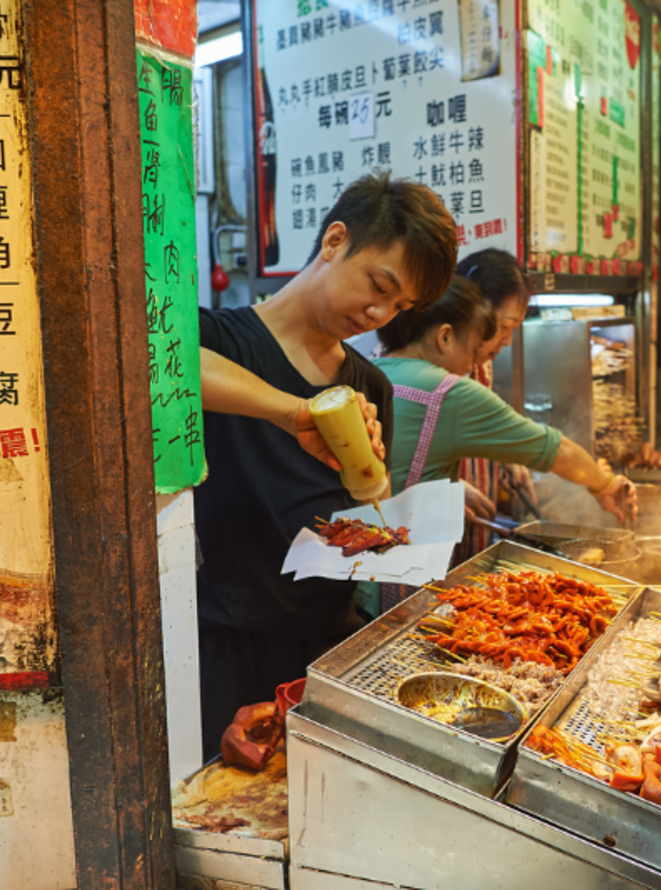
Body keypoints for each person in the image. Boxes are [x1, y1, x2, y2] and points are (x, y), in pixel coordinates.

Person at [195, 173, 457, 759]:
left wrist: (378, 492)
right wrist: (295, 412)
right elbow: (167, 365)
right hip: (225, 640)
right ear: (335, 241)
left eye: (400, 306)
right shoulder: (220, 337)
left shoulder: (370, 385)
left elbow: (364, 513)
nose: (379, 312)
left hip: (327, 642)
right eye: (378, 285)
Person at [373, 277, 636, 565]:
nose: (472, 366)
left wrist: (450, 487)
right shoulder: (448, 392)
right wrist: (605, 485)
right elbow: (556, 451)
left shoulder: (370, 370)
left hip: (355, 566)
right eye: (473, 351)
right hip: (394, 580)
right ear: (445, 337)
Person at [454, 249, 533, 558]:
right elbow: (385, 474)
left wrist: (507, 455)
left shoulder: (481, 366)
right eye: (504, 327)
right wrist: (444, 494)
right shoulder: (405, 372)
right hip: (420, 559)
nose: (508, 341)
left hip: (473, 546)